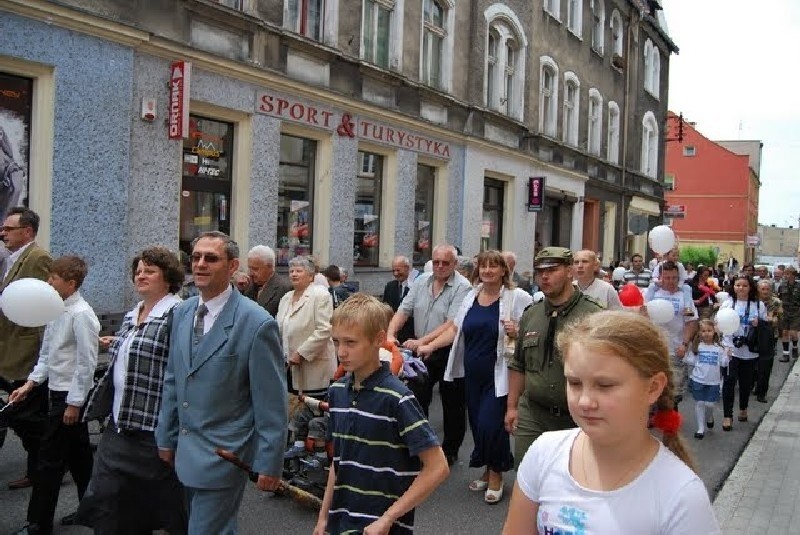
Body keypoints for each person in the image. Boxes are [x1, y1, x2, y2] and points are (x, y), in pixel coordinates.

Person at [502, 311, 720, 534]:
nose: (585, 401)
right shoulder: (544, 452)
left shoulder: (681, 494)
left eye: (605, 385)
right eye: (575, 383)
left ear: (653, 387)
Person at [155, 231, 288, 534]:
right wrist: (166, 435)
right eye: (196, 257)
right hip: (184, 450)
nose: (200, 264)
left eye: (211, 258)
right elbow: (174, 379)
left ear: (232, 267)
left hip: (225, 454)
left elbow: (271, 402)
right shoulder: (182, 312)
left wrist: (270, 462)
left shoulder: (256, 323)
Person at [313, 294, 449, 535]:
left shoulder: (397, 398)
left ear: (378, 340)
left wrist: (388, 518)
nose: (341, 352)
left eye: (351, 343)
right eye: (336, 342)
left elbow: (437, 467)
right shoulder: (336, 393)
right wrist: (323, 518)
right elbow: (339, 462)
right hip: (340, 524)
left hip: (384, 528)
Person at [76, 247, 187, 534]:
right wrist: (117, 344)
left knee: (157, 511)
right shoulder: (132, 314)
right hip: (119, 428)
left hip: (153, 433)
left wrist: (171, 431)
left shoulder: (178, 314)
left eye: (149, 270)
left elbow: (182, 372)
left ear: (169, 277)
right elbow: (136, 354)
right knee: (109, 508)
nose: (141, 275)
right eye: (138, 271)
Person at [419, 251, 532, 504]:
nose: (488, 271)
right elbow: (455, 330)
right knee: (479, 425)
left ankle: (496, 474)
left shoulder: (517, 297)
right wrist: (431, 345)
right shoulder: (471, 296)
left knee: (492, 424)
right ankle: (486, 467)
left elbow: (532, 328)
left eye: (494, 266)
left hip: (498, 374)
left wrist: (518, 328)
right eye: (483, 266)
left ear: (504, 270)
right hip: (471, 373)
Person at [10, 255, 101, 535]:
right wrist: (31, 383)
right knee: (80, 458)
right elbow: (48, 355)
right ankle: (94, 511)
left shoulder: (81, 314)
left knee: (48, 461)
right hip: (55, 392)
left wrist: (74, 403)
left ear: (70, 284)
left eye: (54, 278)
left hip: (67, 398)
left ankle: (38, 523)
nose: (48, 282)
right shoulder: (56, 310)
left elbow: (86, 363)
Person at [504, 247, 602, 467]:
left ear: (569, 272)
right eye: (540, 271)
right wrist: (512, 407)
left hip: (575, 418)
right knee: (527, 474)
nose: (544, 277)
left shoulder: (593, 315)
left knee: (573, 477)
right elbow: (518, 364)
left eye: (552, 270)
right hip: (533, 413)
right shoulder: (532, 314)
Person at [387, 244, 471, 466]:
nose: (440, 266)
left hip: (449, 349)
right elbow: (404, 310)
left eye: (446, 263)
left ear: (454, 264)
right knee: (416, 396)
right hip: (421, 350)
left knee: (452, 403)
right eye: (436, 262)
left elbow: (452, 323)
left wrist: (424, 342)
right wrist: (389, 333)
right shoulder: (421, 281)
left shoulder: (463, 287)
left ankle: (450, 451)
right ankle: (421, 444)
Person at [0, 206, 52, 490]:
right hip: (8, 348)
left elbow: (46, 304)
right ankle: (42, 464)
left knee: (25, 415)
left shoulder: (38, 258)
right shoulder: (12, 259)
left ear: (27, 231)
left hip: (25, 351)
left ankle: (44, 466)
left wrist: (41, 353)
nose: (2, 233)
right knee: (19, 412)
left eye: (9, 229)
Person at [276, 256, 336, 400]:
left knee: (310, 412)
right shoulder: (286, 298)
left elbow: (324, 329)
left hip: (314, 367)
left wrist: (301, 353)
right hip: (288, 367)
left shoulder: (320, 295)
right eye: (291, 271)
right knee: (291, 407)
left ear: (311, 276)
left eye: (298, 271)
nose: (294, 274)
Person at [645, 261, 698, 407]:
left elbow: (690, 321)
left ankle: (671, 419)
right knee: (652, 385)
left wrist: (685, 343)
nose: (670, 281)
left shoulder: (684, 297)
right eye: (667, 278)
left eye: (674, 278)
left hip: (676, 349)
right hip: (654, 348)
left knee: (673, 389)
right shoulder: (653, 294)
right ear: (661, 277)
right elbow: (642, 315)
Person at [720, 275, 766, 431]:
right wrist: (725, 345)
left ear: (750, 287)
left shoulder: (758, 305)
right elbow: (720, 325)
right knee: (729, 382)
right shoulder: (728, 304)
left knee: (745, 384)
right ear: (733, 287)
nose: (741, 288)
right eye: (738, 285)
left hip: (750, 350)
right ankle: (727, 416)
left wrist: (759, 323)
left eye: (744, 285)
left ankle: (743, 408)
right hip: (730, 349)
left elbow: (765, 328)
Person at [685, 319, 730, 439]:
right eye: (703, 331)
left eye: (709, 330)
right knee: (699, 403)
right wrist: (688, 352)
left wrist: (727, 355)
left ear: (714, 332)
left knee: (709, 404)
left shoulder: (718, 348)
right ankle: (700, 428)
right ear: (699, 333)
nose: (706, 333)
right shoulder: (697, 346)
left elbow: (724, 364)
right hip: (698, 379)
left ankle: (709, 416)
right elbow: (690, 361)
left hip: (713, 381)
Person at [243, 245, 291, 318]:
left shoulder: (284, 288)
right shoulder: (248, 286)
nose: (250, 273)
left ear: (269, 267)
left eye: (255, 269)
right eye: (249, 268)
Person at [755, 279, 782, 400]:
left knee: (765, 365)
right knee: (753, 363)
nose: (765, 292)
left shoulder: (776, 302)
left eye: (767, 289)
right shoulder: (753, 301)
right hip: (754, 335)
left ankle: (762, 392)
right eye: (763, 289)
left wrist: (772, 319)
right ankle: (754, 384)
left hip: (770, 335)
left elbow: (778, 319)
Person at [382, 255, 416, 344]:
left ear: (407, 268)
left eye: (398, 270)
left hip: (411, 337)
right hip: (393, 335)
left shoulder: (416, 286)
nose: (396, 274)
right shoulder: (390, 286)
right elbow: (386, 309)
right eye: (393, 271)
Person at [778, 266, 800, 359]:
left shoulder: (799, 286)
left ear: (793, 275)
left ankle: (795, 347)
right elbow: (779, 298)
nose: (786, 276)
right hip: (785, 311)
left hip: (796, 312)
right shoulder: (782, 285)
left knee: (793, 333)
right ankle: (785, 354)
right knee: (785, 332)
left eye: (788, 274)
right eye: (785, 273)